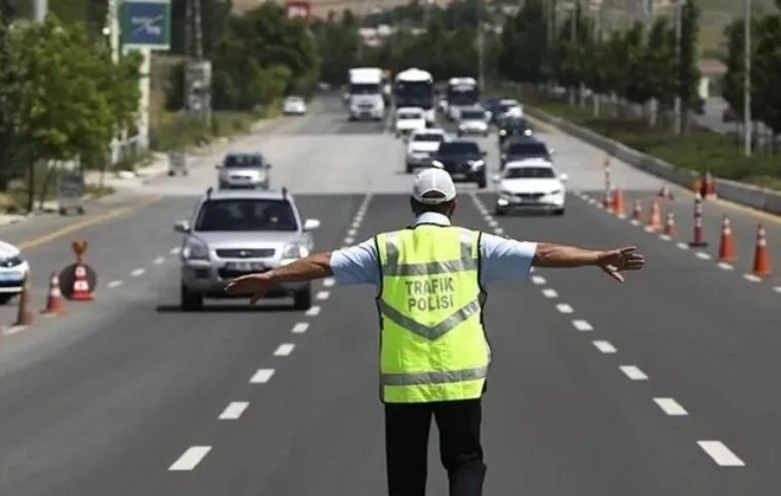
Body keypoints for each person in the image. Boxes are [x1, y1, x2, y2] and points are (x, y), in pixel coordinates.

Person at [226, 168, 645, 496]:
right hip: (461, 379)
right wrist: (597, 256)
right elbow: (543, 252)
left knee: (406, 475)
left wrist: (271, 276)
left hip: (404, 383)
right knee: (465, 462)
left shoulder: (384, 248)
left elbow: (322, 262)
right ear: (454, 205)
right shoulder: (476, 245)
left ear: (412, 205)